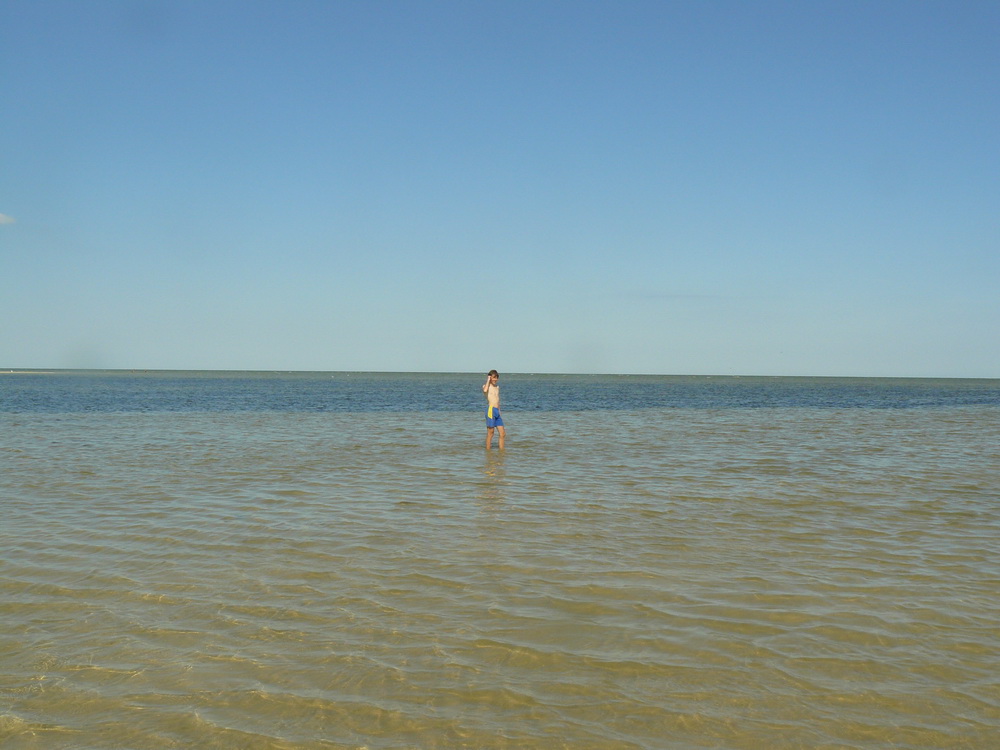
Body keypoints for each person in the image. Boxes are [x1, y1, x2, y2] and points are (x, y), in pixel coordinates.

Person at [482, 369, 505, 449]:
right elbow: (485, 390)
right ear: (490, 378)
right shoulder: (486, 387)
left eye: (496, 378)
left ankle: (501, 452)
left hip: (497, 411)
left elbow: (497, 399)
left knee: (502, 433)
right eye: (493, 378)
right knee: (491, 433)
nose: (495, 379)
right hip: (490, 410)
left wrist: (499, 410)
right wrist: (488, 379)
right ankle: (488, 451)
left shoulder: (497, 387)